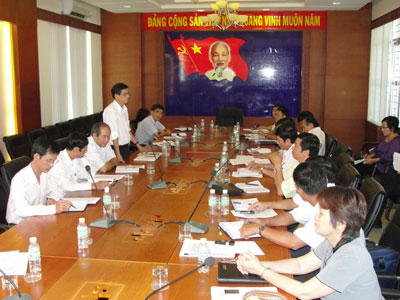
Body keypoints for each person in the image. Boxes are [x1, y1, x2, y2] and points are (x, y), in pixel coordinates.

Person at [237, 186, 382, 300]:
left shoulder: (351, 255)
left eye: (321, 214)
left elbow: (304, 293)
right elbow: (301, 265)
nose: (315, 218)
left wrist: (261, 271)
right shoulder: (337, 237)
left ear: (340, 224)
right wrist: (259, 264)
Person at [240, 161, 327, 253]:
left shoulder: (326, 210)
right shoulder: (316, 196)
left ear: (299, 190)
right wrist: (264, 221)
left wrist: (259, 229)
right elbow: (291, 217)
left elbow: (294, 243)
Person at [6, 137, 72, 224]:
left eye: (53, 161)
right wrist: (52, 209)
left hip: (38, 219)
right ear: (36, 157)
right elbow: (22, 210)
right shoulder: (19, 179)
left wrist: (52, 198)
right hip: (19, 225)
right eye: (49, 161)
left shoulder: (46, 172)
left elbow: (57, 190)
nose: (51, 165)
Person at [48, 132, 110, 197]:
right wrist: (93, 185)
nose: (85, 154)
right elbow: (66, 186)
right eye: (84, 151)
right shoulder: (58, 162)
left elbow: (88, 174)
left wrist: (99, 182)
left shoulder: (77, 157)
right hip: (63, 196)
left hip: (76, 194)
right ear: (76, 150)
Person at [103, 82, 145, 161]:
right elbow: (113, 134)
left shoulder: (125, 109)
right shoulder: (111, 110)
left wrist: (138, 146)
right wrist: (117, 154)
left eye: (128, 93)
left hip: (125, 148)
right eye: (124, 94)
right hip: (116, 149)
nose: (128, 96)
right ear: (116, 96)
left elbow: (127, 130)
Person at [271, 132, 319, 198]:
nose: (292, 148)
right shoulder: (297, 162)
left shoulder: (307, 172)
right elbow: (280, 178)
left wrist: (278, 165)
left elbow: (281, 191)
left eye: (296, 146)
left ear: (306, 152)